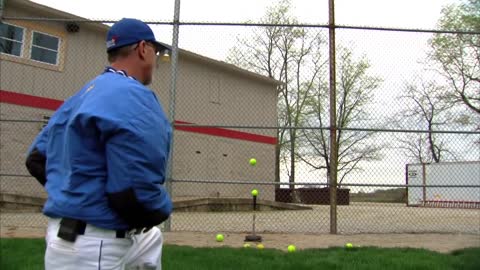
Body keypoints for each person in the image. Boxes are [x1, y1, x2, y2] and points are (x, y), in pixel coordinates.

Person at [25, 18, 173, 270]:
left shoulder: (84, 93)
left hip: (72, 237)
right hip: (97, 244)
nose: (156, 59)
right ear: (142, 48)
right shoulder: (134, 94)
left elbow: (37, 159)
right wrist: (162, 209)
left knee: (151, 238)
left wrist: (75, 196)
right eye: (156, 51)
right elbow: (133, 191)